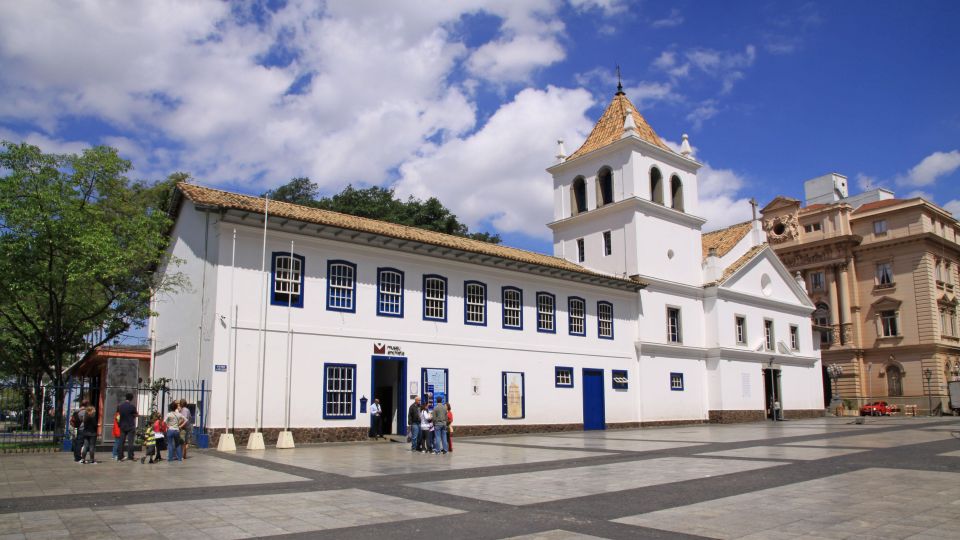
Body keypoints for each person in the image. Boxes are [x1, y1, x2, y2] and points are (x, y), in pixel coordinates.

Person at [118, 393, 138, 462]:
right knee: (130, 442)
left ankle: (120, 456)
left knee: (121, 441)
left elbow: (119, 414)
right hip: (130, 425)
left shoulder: (120, 406)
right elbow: (135, 414)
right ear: (131, 399)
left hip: (122, 425)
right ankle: (130, 456)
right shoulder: (132, 407)